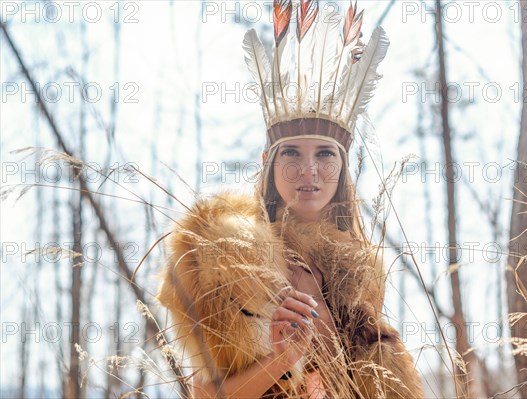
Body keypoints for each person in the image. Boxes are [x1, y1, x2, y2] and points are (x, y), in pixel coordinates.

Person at [157, 1, 424, 398]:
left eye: (324, 154)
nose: (309, 170)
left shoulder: (358, 271)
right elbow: (208, 394)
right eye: (292, 153)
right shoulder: (235, 256)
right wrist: (282, 359)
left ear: (343, 164)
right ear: (268, 161)